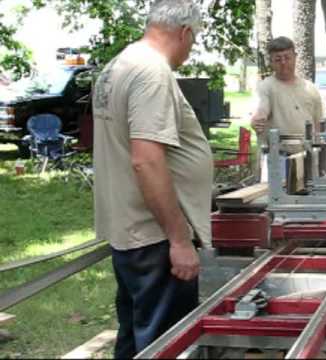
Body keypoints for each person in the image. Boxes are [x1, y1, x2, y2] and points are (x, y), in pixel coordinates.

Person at [92, 1, 213, 358]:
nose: (190, 50)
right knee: (165, 345)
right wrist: (179, 239)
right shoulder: (152, 73)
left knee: (135, 337)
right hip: (155, 237)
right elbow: (146, 160)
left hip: (131, 232)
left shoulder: (119, 65)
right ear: (185, 32)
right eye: (194, 41)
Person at [250, 36, 325, 154]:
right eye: (278, 59)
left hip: (307, 158)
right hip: (275, 159)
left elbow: (319, 126)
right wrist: (257, 120)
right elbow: (261, 111)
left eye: (287, 57)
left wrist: (318, 155)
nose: (283, 63)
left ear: (295, 57)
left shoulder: (310, 89)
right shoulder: (265, 87)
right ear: (271, 62)